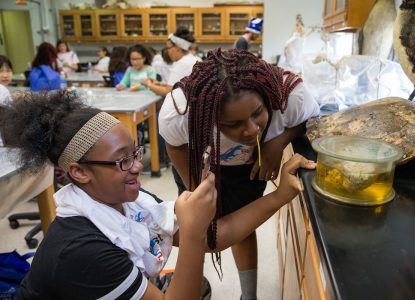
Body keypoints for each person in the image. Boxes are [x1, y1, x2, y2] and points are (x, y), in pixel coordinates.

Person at [0, 90, 315, 299]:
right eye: (123, 160)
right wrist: (191, 232)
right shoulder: (81, 251)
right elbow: (199, 239)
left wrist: (280, 195)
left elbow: (213, 238)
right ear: (79, 172)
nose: (138, 166)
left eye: (135, 152)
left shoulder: (128, 201)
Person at [158, 48, 320, 300]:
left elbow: (310, 119)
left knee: (242, 226)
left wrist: (277, 143)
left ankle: (249, 296)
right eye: (232, 124)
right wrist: (195, 186)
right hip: (199, 162)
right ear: (208, 116)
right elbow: (173, 143)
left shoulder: (290, 95)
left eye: (257, 113)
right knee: (196, 228)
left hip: (249, 165)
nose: (251, 130)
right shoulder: (180, 111)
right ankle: (189, 285)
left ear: (267, 97)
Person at [143, 27, 201, 96]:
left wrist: (149, 85)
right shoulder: (195, 59)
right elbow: (178, 85)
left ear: (177, 47)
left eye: (168, 48)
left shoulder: (182, 64)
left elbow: (168, 91)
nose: (167, 52)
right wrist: (160, 84)